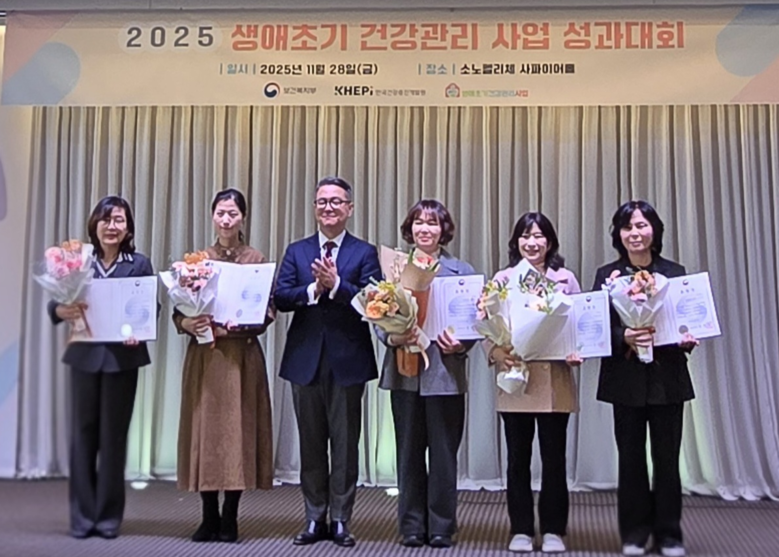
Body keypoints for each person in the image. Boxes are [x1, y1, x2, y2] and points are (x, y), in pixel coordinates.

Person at [274, 176, 381, 548]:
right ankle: (314, 516)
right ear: (314, 208)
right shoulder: (298, 250)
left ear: (349, 208)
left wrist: (335, 285)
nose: (329, 207)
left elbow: (374, 302)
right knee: (311, 444)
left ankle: (340, 519)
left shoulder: (364, 252)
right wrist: (312, 289)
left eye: (336, 201)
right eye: (322, 201)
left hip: (348, 361)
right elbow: (281, 297)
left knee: (346, 445)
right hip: (305, 360)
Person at [593, 200, 698, 557]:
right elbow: (597, 327)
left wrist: (687, 337)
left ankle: (669, 534)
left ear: (655, 230)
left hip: (667, 378)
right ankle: (634, 533)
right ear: (618, 234)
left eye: (641, 226)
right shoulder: (607, 275)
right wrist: (623, 335)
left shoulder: (674, 272)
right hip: (625, 379)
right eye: (628, 227)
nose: (635, 234)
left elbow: (685, 320)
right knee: (630, 458)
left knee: (667, 460)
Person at [48, 195, 155, 539]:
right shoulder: (78, 262)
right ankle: (82, 516)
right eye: (106, 219)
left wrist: (139, 331)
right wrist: (61, 310)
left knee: (114, 438)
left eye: (119, 220)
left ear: (128, 227)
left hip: (122, 361)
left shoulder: (138, 263)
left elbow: (148, 309)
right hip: (83, 356)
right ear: (94, 224)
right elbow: (56, 304)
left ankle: (108, 517)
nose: (112, 226)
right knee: (83, 436)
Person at [174, 189, 274, 543]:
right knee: (205, 431)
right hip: (206, 356)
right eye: (220, 213)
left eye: (233, 213)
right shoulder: (197, 261)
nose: (226, 219)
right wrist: (187, 322)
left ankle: (230, 515)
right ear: (212, 216)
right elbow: (179, 311)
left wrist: (243, 323)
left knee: (238, 433)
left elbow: (268, 310)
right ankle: (207, 515)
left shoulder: (255, 259)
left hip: (241, 357)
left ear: (243, 217)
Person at [377, 199, 476, 549]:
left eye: (432, 223)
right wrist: (393, 335)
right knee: (408, 453)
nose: (425, 229)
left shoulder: (461, 271)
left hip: (444, 373)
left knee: (444, 454)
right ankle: (411, 525)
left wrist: (461, 343)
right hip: (405, 372)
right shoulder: (394, 268)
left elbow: (475, 322)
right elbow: (378, 314)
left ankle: (442, 526)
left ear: (443, 230)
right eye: (418, 222)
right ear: (410, 229)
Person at [485, 212, 582, 554]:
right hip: (516, 378)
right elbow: (486, 323)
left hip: (554, 378)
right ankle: (521, 529)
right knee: (517, 459)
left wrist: (578, 350)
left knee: (554, 458)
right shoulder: (503, 279)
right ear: (516, 242)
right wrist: (497, 352)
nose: (532, 242)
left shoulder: (565, 279)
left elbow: (579, 324)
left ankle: (554, 529)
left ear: (550, 242)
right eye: (525, 236)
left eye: (539, 235)